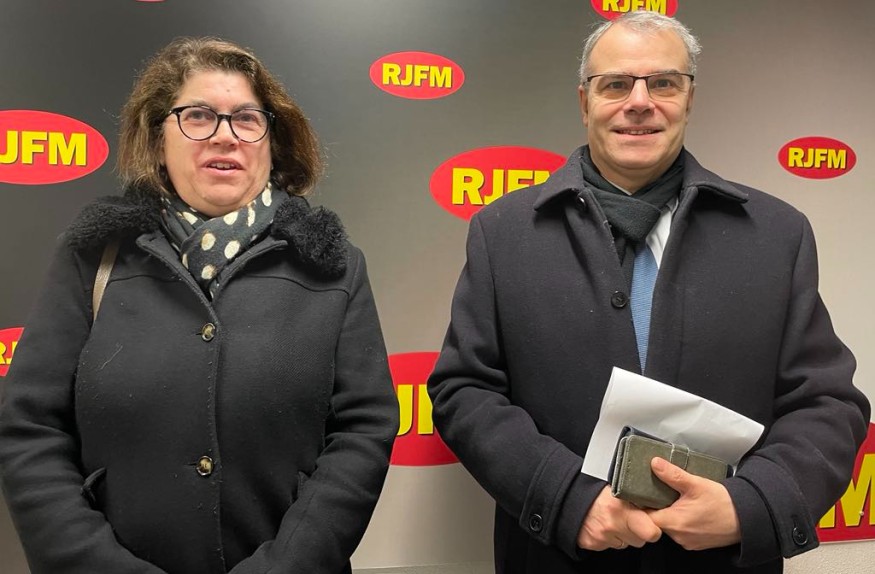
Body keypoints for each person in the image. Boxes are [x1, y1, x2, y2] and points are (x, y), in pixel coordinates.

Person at [427, 11, 870, 574]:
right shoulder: (504, 233)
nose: (639, 102)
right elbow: (464, 390)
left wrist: (751, 504)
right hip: (558, 559)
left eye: (663, 82)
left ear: (689, 98)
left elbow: (827, 403)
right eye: (616, 84)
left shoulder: (776, 235)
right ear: (585, 101)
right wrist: (565, 499)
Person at [0, 37, 398, 574]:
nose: (225, 135)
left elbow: (362, 431)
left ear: (273, 142)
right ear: (157, 138)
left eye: (247, 119)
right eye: (198, 116)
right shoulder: (93, 258)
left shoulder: (334, 265)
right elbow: (30, 429)